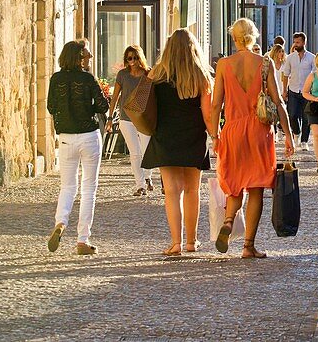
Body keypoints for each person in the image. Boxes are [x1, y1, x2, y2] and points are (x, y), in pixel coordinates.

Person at [211, 18, 295, 258]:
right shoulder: (264, 62)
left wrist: (214, 135)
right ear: (253, 36)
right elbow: (278, 101)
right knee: (256, 187)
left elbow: (216, 103)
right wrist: (288, 135)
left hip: (233, 130)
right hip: (259, 130)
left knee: (235, 184)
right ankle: (248, 246)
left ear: (234, 37)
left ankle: (228, 221)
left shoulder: (224, 65)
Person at [140, 28, 213, 256]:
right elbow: (208, 113)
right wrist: (216, 136)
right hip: (193, 135)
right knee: (192, 190)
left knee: (171, 191)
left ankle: (176, 243)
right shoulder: (201, 75)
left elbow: (143, 103)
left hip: (165, 135)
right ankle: (192, 241)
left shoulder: (156, 74)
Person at [46, 40, 108, 255]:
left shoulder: (56, 78)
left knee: (67, 186)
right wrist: (86, 106)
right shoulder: (87, 78)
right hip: (89, 136)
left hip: (66, 138)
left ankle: (61, 222)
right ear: (79, 57)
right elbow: (103, 106)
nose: (89, 59)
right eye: (86, 56)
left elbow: (51, 106)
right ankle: (83, 240)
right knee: (88, 188)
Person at [106, 45, 154, 196]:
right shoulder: (122, 75)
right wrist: (109, 117)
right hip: (126, 119)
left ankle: (147, 177)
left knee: (147, 150)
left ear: (140, 58)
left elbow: (154, 96)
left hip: (144, 118)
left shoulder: (148, 73)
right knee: (135, 153)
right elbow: (115, 97)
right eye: (129, 58)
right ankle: (140, 185)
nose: (132, 61)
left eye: (135, 57)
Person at [280, 32, 315, 150]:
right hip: (293, 90)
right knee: (293, 115)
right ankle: (296, 133)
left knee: (306, 117)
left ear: (304, 42)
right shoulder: (290, 58)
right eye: (294, 42)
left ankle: (304, 141)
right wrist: (284, 91)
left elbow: (314, 75)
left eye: (298, 42)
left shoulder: (312, 58)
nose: (295, 45)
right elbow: (285, 75)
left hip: (307, 92)